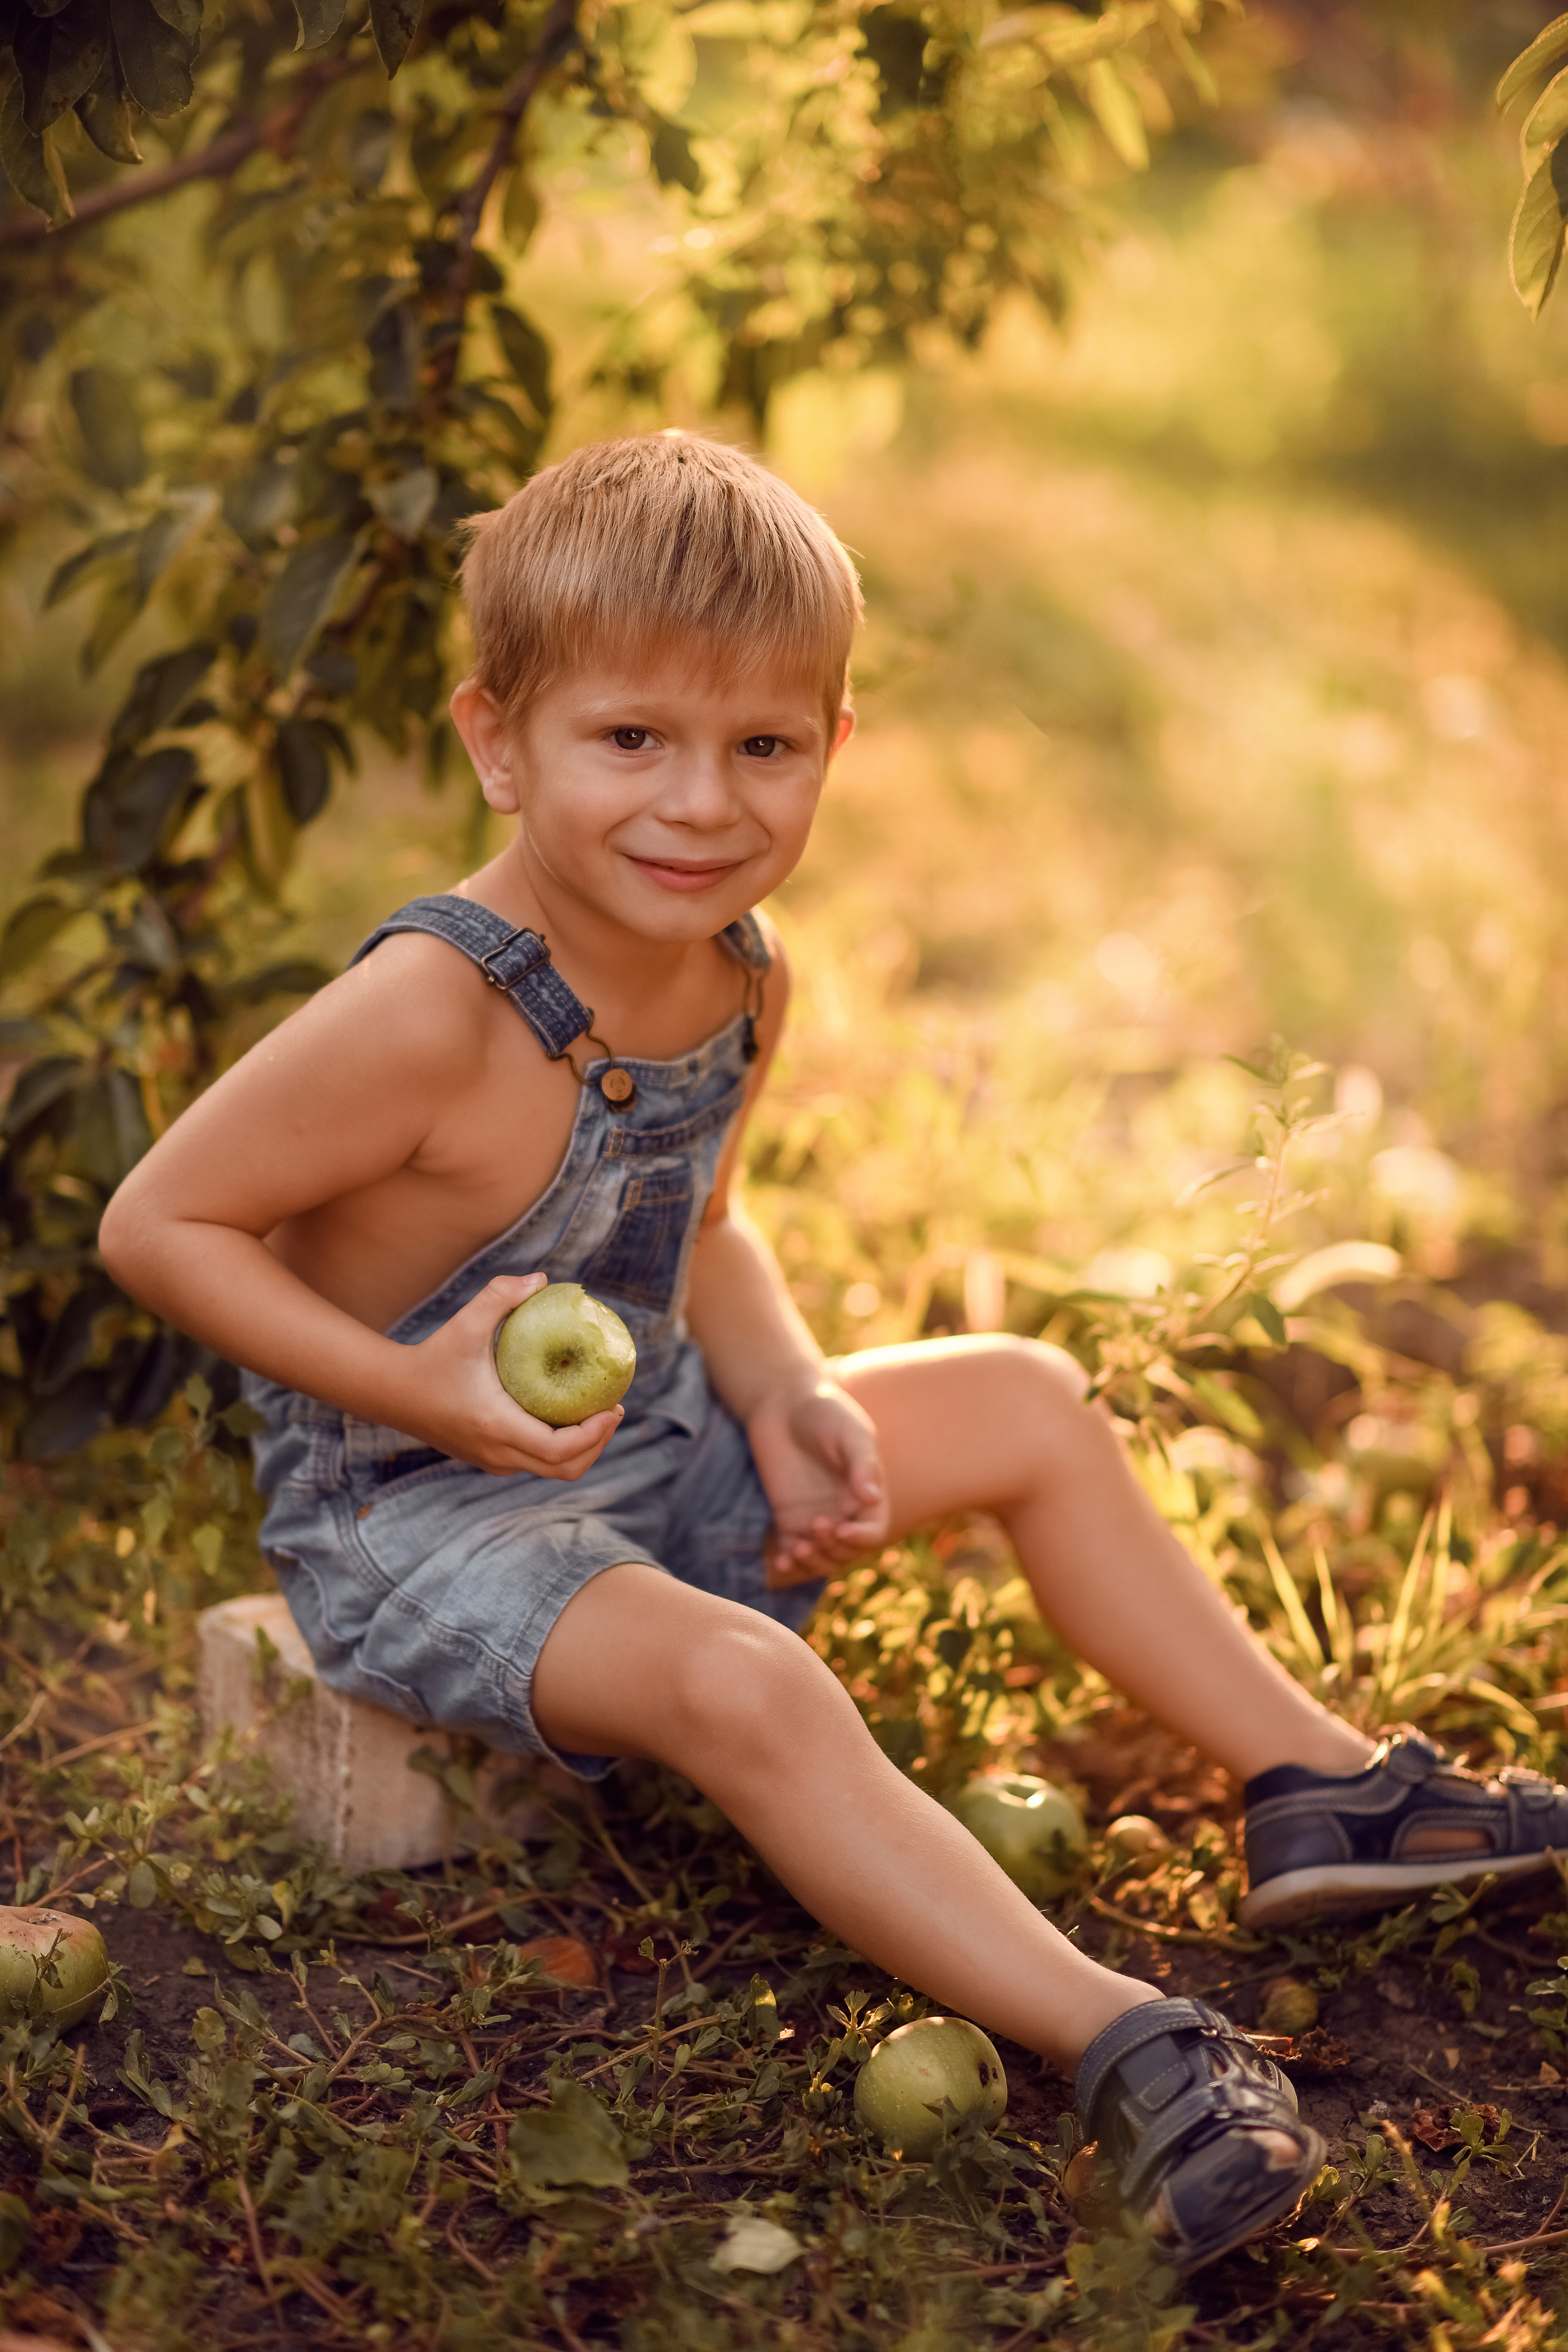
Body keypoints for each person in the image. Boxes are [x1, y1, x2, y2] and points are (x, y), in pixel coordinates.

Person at [99, 434, 1568, 2271]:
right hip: (427, 1517)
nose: (702, 804)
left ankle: (1322, 1787)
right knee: (759, 1694)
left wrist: (789, 1391)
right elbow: (158, 1224)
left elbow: (699, 1230)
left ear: (834, 750)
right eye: (631, 739)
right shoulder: (425, 1014)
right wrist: (417, 1386)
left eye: (763, 747)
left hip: (649, 1449)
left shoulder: (739, 970)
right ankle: (1133, 2042)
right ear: (500, 741)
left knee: (1026, 1399)